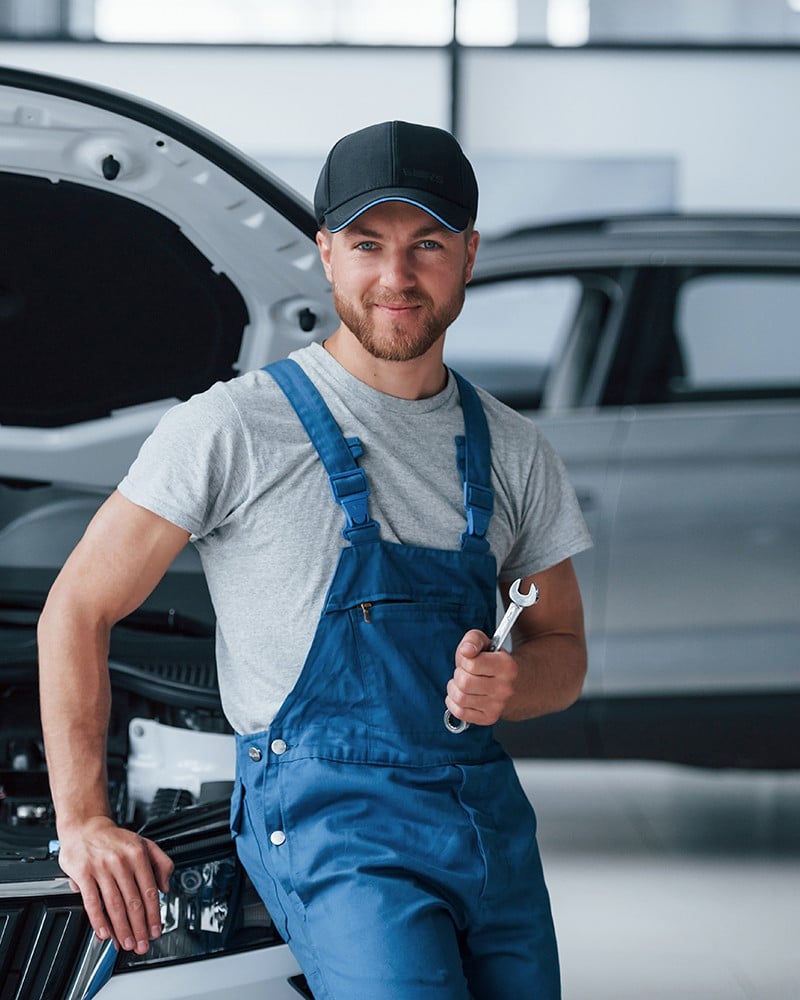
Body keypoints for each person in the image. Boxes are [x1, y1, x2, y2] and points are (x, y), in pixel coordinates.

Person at [38, 120, 591, 998]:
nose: (397, 278)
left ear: (470, 254)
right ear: (327, 252)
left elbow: (562, 645)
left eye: (428, 245)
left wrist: (517, 684)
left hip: (484, 823)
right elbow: (76, 608)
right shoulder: (231, 428)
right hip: (333, 826)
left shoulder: (517, 452)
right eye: (369, 244)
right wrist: (83, 821)